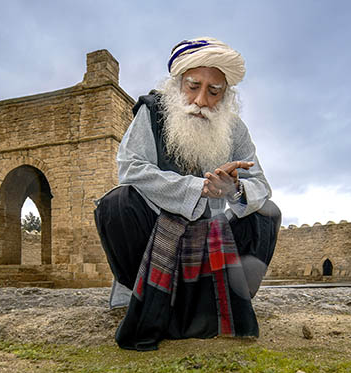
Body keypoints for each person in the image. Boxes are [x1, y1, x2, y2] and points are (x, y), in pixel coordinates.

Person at [95, 37, 281, 350]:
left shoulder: (235, 130)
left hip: (212, 240)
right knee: (115, 205)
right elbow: (130, 168)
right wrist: (197, 188)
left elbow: (260, 184)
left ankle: (218, 298)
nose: (201, 100)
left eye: (213, 91)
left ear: (225, 95)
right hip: (157, 233)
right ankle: (143, 292)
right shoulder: (153, 113)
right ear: (178, 82)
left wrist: (234, 190)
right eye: (193, 85)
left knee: (266, 212)